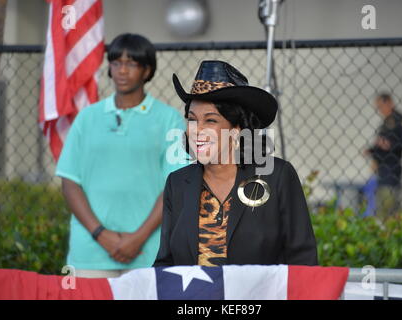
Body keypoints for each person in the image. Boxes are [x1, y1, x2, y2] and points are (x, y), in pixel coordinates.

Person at [153, 60, 318, 267]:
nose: (197, 130)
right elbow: (165, 263)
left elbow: (303, 259)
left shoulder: (277, 176)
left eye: (210, 120)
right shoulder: (177, 183)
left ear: (237, 128)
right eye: (192, 119)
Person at [56, 33, 187, 278]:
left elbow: (175, 185)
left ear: (147, 71)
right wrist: (100, 234)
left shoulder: (169, 119)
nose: (122, 71)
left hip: (148, 252)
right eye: (116, 63)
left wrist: (138, 239)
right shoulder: (86, 118)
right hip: (90, 253)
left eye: (131, 64)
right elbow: (70, 182)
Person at [364, 92, 402, 219]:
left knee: (388, 208)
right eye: (378, 108)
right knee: (380, 207)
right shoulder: (385, 122)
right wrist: (372, 151)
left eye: (381, 106)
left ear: (389, 103)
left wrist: (391, 145)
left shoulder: (401, 120)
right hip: (381, 172)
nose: (380, 110)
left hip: (392, 171)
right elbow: (381, 144)